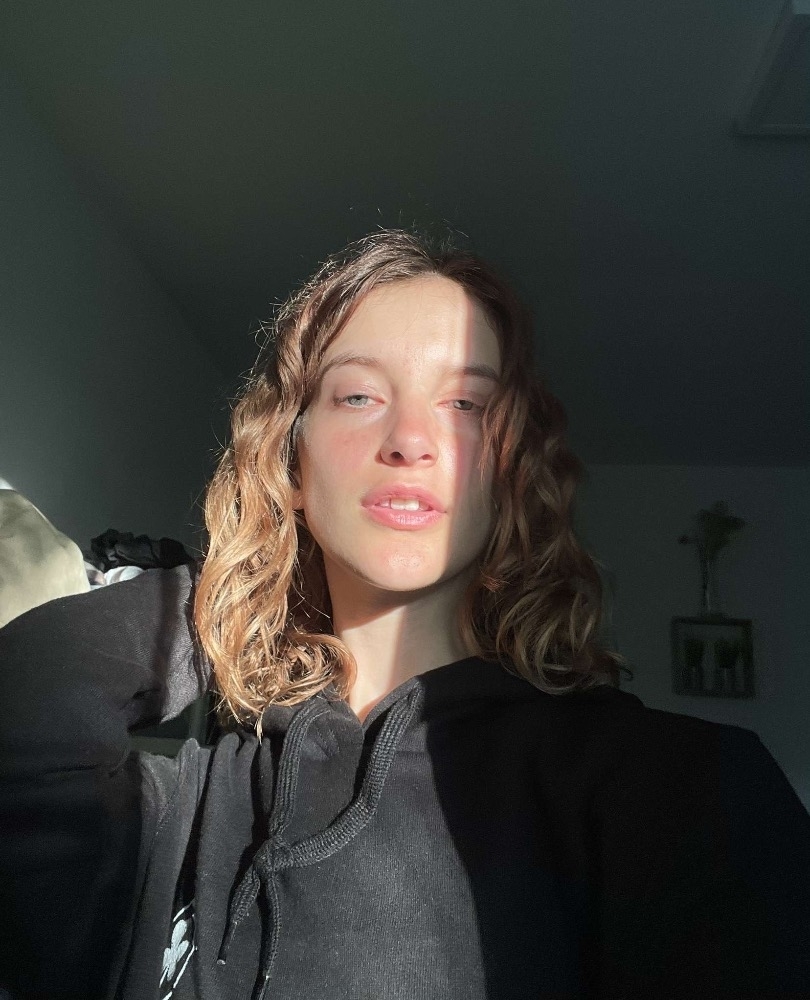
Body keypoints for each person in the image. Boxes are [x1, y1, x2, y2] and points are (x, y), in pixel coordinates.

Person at [1, 229, 809, 1000]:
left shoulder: (680, 789)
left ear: (511, 470)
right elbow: (28, 699)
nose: (412, 440)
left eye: (465, 403)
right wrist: (229, 594)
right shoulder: (185, 809)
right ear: (291, 460)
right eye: (358, 395)